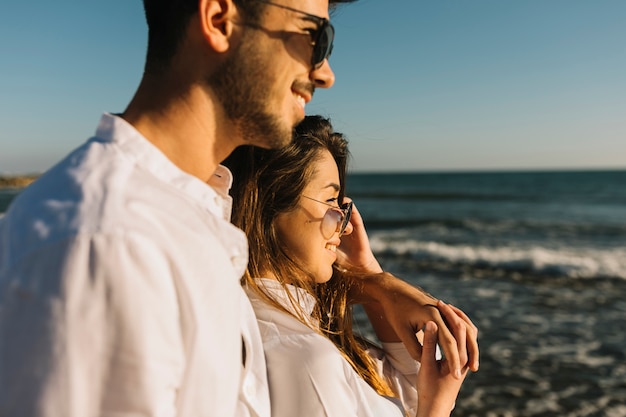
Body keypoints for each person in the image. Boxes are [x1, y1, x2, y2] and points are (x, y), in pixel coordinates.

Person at [0, 1, 476, 416]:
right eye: (314, 37)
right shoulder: (105, 241)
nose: (325, 73)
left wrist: (374, 284)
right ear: (220, 19)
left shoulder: (197, 225)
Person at [224, 115, 471, 416]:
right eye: (330, 201)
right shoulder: (305, 358)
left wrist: (375, 281)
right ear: (270, 202)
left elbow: (410, 394)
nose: (346, 226)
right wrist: (438, 411)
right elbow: (421, 405)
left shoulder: (293, 325)